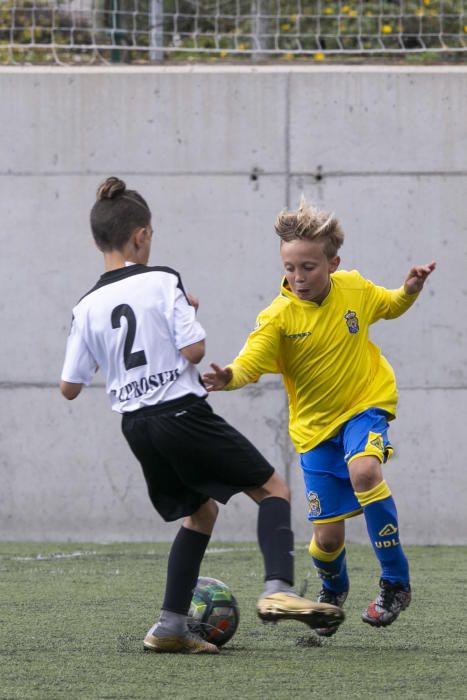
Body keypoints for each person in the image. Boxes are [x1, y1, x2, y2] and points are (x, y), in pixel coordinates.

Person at [59, 178, 344, 655]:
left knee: (200, 513)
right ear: (141, 235)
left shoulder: (85, 305)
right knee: (274, 488)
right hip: (180, 412)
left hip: (137, 427)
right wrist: (188, 311)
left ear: (96, 241)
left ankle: (170, 626)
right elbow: (194, 351)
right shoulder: (162, 278)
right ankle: (278, 587)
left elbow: (70, 388)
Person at [202, 196, 436, 636]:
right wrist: (229, 376)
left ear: (332, 263)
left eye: (308, 267)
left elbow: (386, 305)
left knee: (365, 471)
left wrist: (408, 290)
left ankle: (395, 583)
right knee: (327, 541)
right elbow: (250, 363)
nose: (297, 277)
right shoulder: (278, 317)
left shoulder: (353, 287)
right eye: (290, 268)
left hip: (365, 406)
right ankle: (333, 589)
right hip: (314, 434)